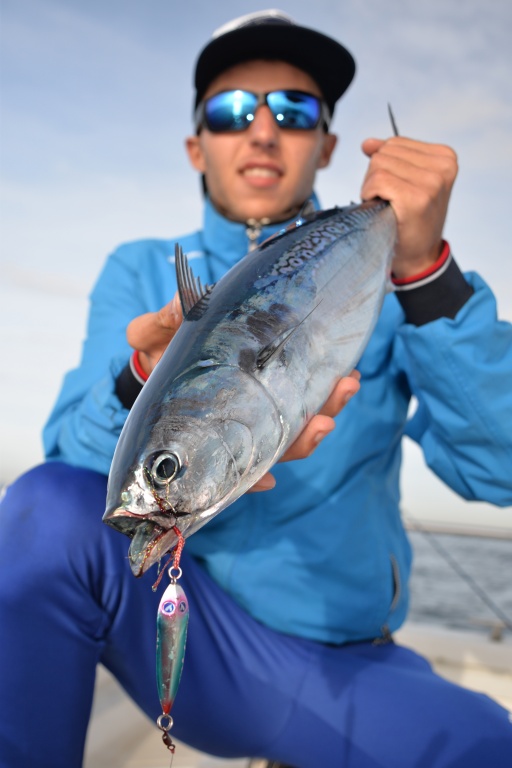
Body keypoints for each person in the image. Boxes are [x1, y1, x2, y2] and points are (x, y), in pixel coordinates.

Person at [1, 10, 511, 768]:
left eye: (295, 111)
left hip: (341, 658)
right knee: (43, 509)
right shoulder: (140, 269)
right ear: (196, 144)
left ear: (329, 145)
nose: (264, 130)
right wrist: (143, 376)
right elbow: (72, 465)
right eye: (233, 110)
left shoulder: (396, 283)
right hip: (193, 630)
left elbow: (499, 468)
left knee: (485, 749)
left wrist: (424, 270)